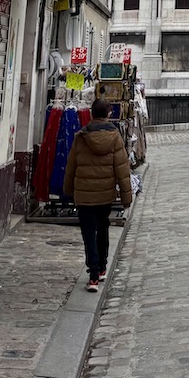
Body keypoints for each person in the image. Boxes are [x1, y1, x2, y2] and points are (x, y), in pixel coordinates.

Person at [62, 97, 132, 291]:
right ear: (109, 114)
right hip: (104, 194)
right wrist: (126, 197)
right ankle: (101, 267)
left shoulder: (81, 136)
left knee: (88, 234)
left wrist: (68, 191)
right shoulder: (115, 136)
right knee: (103, 229)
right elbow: (122, 168)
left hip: (84, 195)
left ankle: (93, 275)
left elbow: (71, 166)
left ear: (92, 114)